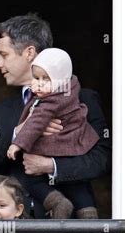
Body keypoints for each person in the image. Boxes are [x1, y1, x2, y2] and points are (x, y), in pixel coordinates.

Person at [0, 13, 111, 219]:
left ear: (29, 52)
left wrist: (52, 166)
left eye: (3, 55)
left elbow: (104, 158)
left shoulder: (83, 98)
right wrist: (16, 134)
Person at [7, 48, 100, 219]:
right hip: (73, 148)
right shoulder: (70, 88)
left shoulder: (51, 101)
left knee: (32, 181)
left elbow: (35, 123)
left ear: (60, 80)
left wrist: (16, 143)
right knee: (78, 187)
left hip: (57, 150)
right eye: (36, 78)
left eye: (46, 79)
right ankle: (88, 212)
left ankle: (57, 202)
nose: (39, 84)